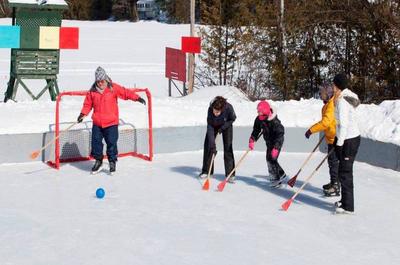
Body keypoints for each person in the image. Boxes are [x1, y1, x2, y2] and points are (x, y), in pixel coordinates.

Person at [77, 66, 146, 174]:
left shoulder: (113, 88)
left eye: (102, 81)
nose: (100, 83)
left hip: (111, 123)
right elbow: (87, 104)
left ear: (106, 79)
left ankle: (112, 162)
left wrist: (137, 98)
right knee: (96, 143)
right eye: (98, 81)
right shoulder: (92, 91)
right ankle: (98, 161)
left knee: (112, 143)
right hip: (97, 123)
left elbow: (125, 92)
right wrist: (82, 114)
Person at [332, 73, 361, 214]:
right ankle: (345, 201)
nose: (332, 87)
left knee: (345, 172)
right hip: (348, 139)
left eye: (334, 85)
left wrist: (339, 144)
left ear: (338, 86)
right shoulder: (347, 96)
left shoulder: (343, 101)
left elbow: (343, 125)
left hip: (348, 140)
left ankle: (348, 206)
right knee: (343, 171)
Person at [305, 83, 340, 196]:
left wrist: (311, 130)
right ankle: (334, 182)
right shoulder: (328, 104)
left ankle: (335, 186)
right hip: (331, 136)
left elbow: (326, 122)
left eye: (322, 93)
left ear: (328, 94)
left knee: (334, 163)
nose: (320, 95)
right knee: (332, 162)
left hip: (335, 138)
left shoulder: (330, 105)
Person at [248, 100, 286, 187]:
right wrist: (252, 139)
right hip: (268, 142)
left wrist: (276, 148)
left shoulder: (275, 122)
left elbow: (280, 134)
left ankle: (275, 181)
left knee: (270, 159)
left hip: (276, 141)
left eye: (261, 113)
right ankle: (281, 173)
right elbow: (256, 130)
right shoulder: (259, 119)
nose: (259, 115)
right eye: (258, 112)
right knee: (271, 159)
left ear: (266, 113)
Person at [199, 96, 236, 182]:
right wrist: (213, 146)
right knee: (208, 146)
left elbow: (232, 119)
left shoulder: (229, 108)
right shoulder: (210, 110)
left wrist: (223, 127)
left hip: (226, 125)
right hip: (213, 125)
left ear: (222, 109)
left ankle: (230, 174)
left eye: (218, 112)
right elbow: (210, 127)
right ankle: (207, 171)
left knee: (228, 148)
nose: (215, 113)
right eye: (214, 111)